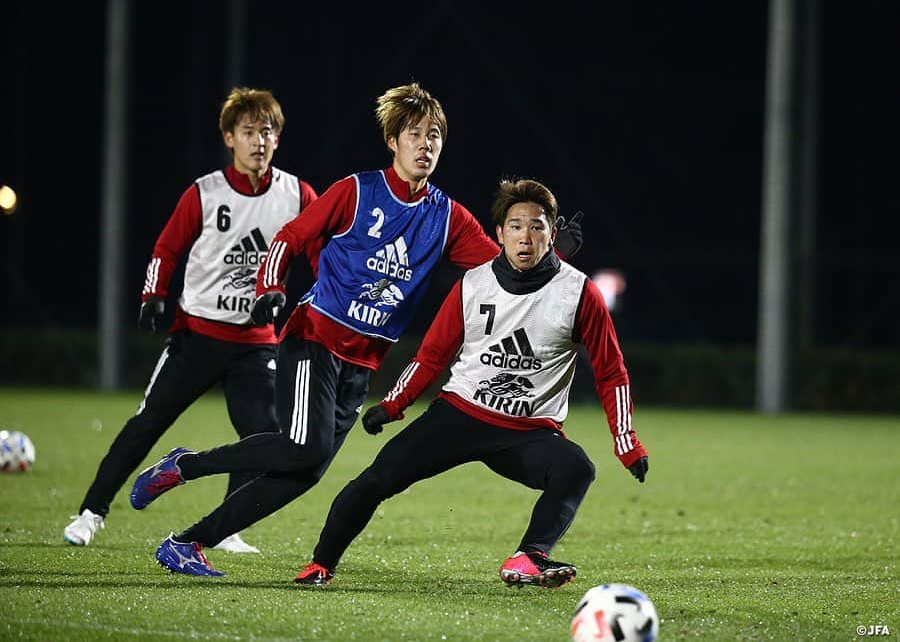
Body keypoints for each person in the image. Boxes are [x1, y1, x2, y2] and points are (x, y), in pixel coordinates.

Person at [129, 83, 583, 577]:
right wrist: (270, 286)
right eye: (415, 134)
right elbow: (290, 236)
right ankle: (185, 465)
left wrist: (555, 255)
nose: (425, 144)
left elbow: (507, 264)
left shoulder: (447, 216)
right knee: (304, 448)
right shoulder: (357, 190)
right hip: (315, 340)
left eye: (434, 136)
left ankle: (187, 544)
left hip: (362, 363)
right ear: (393, 140)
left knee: (304, 472)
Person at [291, 178, 648, 589]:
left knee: (577, 468)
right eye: (515, 226)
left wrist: (626, 441)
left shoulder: (580, 293)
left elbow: (611, 372)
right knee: (376, 479)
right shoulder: (473, 283)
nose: (525, 237)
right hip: (459, 415)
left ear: (553, 233)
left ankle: (529, 557)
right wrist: (393, 405)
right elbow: (431, 356)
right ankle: (321, 563)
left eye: (537, 226)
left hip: (528, 433)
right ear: (499, 233)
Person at [63, 88, 318, 554]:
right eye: (248, 131)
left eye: (268, 131)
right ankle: (90, 512)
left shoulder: (298, 194)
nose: (259, 140)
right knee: (147, 422)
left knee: (262, 435)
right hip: (197, 337)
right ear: (229, 138)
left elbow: (324, 258)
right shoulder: (205, 192)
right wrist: (152, 296)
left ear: (278, 139)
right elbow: (166, 249)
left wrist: (305, 303)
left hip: (256, 344)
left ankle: (226, 531)